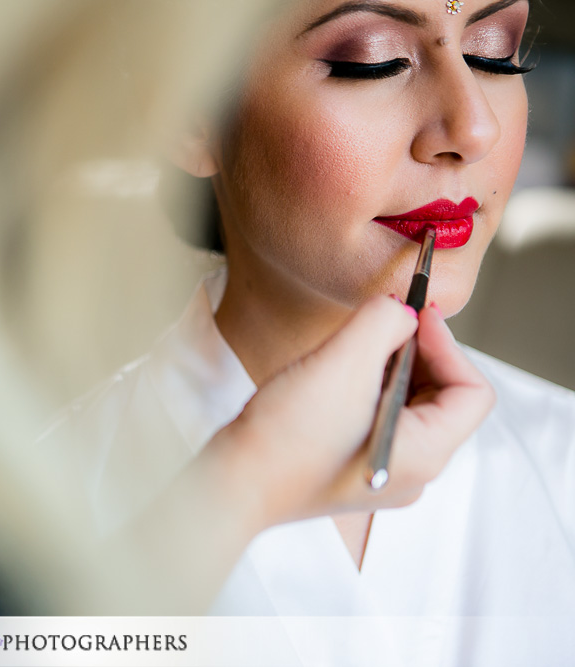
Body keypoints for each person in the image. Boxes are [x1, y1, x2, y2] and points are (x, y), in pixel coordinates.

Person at [47, 0, 575, 662]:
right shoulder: (16, 501)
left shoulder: (563, 464)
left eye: (495, 52)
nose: (473, 127)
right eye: (373, 61)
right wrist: (233, 488)